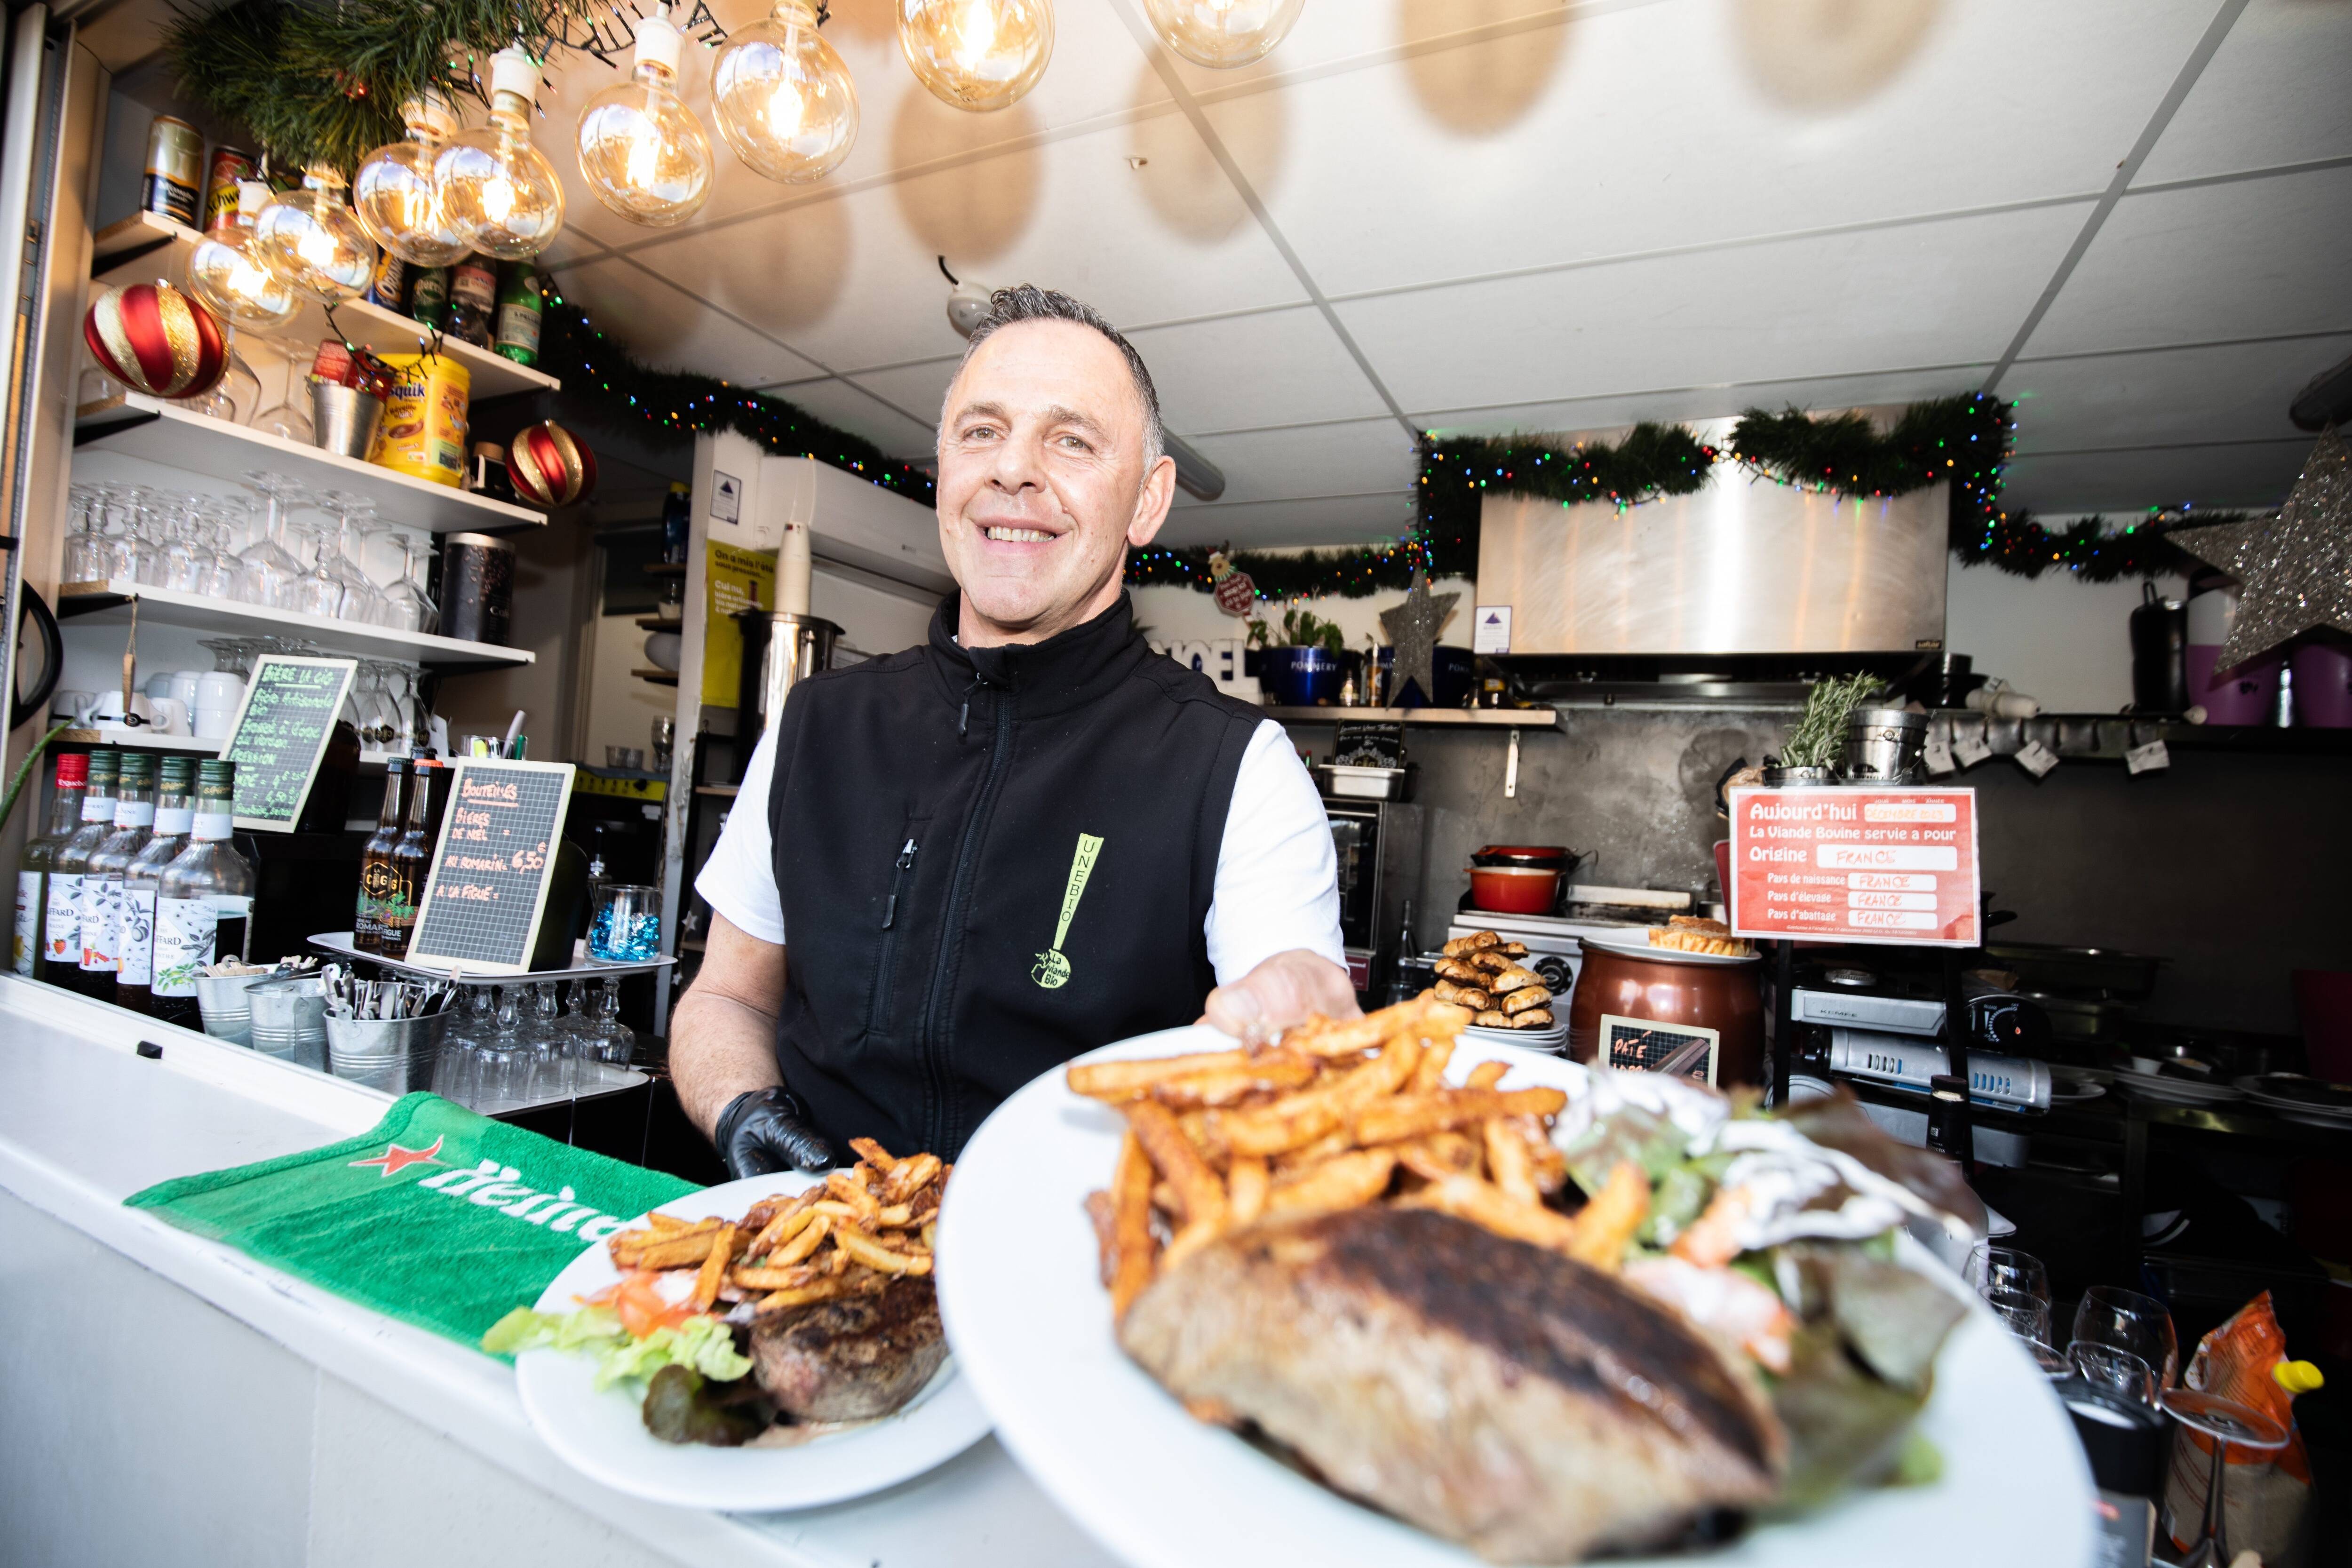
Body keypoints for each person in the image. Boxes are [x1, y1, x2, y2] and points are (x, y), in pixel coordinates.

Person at [675, 285, 1355, 1175]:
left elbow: (1298, 1011)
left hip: (1078, 1285)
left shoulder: (1238, 770)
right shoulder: (815, 725)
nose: (1013, 470)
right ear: (946, 469)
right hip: (811, 1254)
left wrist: (1304, 1017)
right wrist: (742, 1109)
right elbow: (725, 995)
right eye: (981, 432)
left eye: (1071, 440)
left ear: (1148, 503)